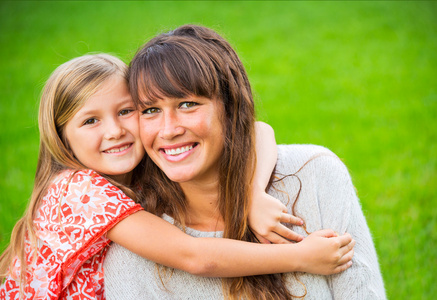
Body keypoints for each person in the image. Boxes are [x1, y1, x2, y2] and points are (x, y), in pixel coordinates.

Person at [0, 54, 355, 300]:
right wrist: (301, 258)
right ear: (62, 138)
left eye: (126, 112)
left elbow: (259, 130)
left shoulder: (132, 169)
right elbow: (194, 256)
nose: (115, 131)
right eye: (90, 121)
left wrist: (252, 195)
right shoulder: (79, 191)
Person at [104, 25, 386, 299]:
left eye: (187, 104)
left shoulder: (314, 175)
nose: (168, 130)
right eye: (151, 110)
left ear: (230, 106)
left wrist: (252, 194)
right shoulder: (134, 253)